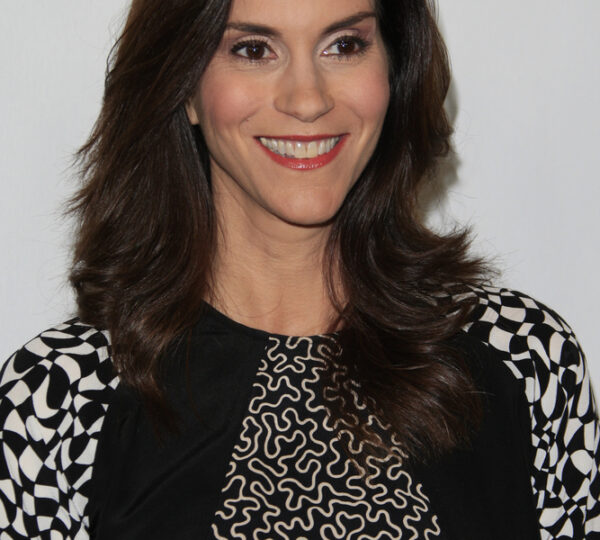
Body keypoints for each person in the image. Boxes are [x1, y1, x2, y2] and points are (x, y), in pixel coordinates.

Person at [0, 0, 598, 538]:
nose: (308, 99)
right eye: (253, 50)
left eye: (345, 44)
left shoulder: (523, 357)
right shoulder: (59, 402)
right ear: (184, 87)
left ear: (394, 70)